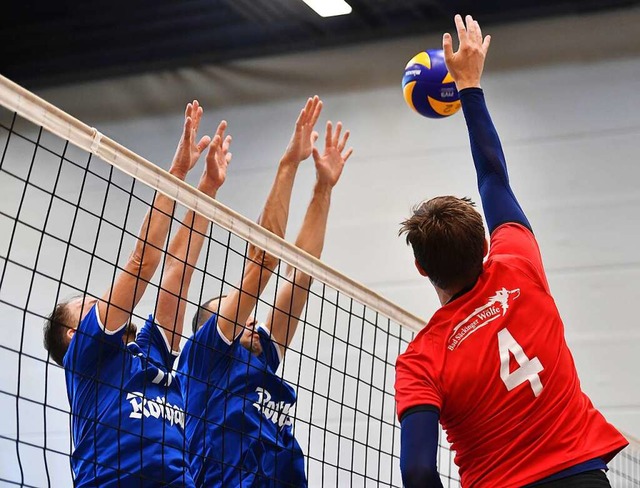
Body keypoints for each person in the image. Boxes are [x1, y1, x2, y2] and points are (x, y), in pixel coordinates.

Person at [395, 15, 628, 488]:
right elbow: (493, 177)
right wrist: (471, 87)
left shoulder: (422, 360)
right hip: (584, 477)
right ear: (485, 246)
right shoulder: (516, 263)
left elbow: (418, 470)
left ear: (421, 268)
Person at [43, 100, 231, 487]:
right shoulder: (88, 357)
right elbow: (142, 261)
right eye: (86, 305)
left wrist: (206, 190)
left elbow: (176, 276)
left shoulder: (150, 355)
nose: (98, 301)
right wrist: (176, 173)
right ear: (74, 335)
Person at [177, 96, 352, 487]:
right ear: (214, 329)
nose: (253, 317)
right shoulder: (205, 359)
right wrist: (289, 163)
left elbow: (302, 273)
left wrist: (323, 187)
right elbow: (263, 261)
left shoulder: (260, 359)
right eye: (238, 314)